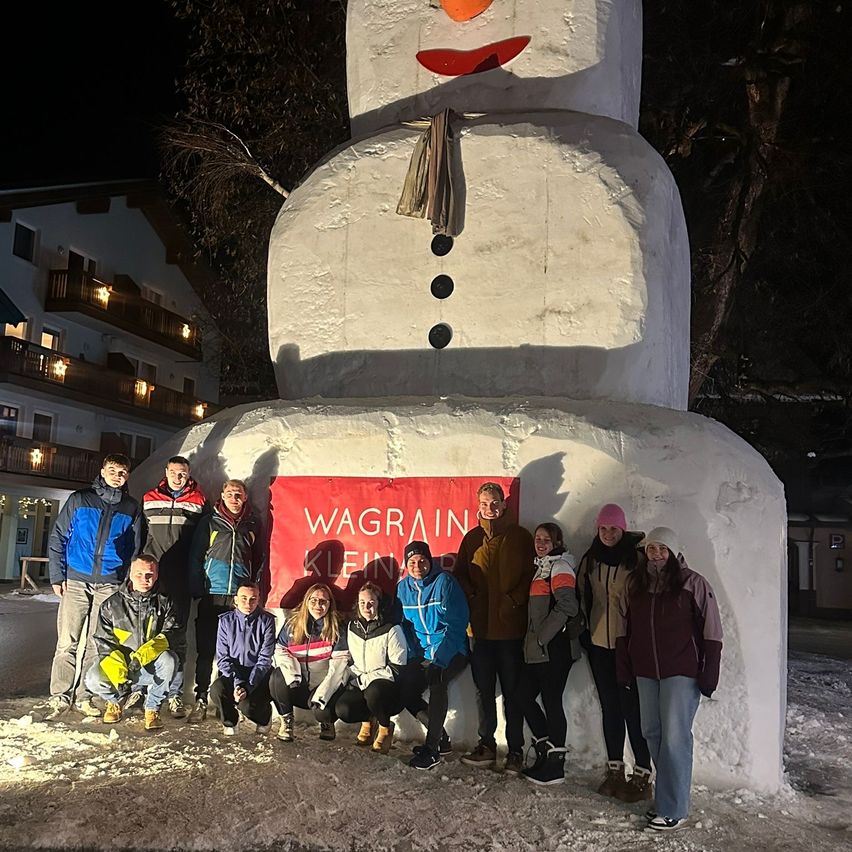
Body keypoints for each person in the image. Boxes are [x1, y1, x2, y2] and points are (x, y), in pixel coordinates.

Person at [616, 527, 723, 832]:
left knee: (675, 738)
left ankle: (674, 808)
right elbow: (624, 628)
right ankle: (668, 798)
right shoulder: (636, 583)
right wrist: (624, 666)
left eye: (663, 548)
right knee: (651, 732)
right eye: (652, 548)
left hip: (681, 671)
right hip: (645, 670)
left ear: (674, 552)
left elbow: (712, 630)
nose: (657, 553)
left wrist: (709, 672)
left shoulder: (693, 583)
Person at [45, 453, 144, 720]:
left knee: (95, 643)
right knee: (67, 641)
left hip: (109, 585)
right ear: (103, 471)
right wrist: (57, 575)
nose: (117, 475)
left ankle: (84, 695)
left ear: (128, 476)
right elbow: (58, 537)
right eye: (112, 470)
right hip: (76, 579)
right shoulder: (80, 499)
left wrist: (124, 581)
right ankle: (60, 695)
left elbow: (136, 549)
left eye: (122, 472)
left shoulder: (131, 508)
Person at [454, 482, 535, 774]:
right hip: (481, 631)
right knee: (483, 691)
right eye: (485, 504)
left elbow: (532, 573)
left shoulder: (521, 537)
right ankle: (487, 745)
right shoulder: (472, 538)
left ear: (504, 504)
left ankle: (515, 750)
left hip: (511, 631)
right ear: (478, 506)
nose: (490, 509)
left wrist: (514, 600)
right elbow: (460, 574)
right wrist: (473, 598)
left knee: (513, 692)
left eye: (495, 503)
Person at [575, 503, 652, 800]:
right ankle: (615, 769)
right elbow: (581, 593)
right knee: (611, 708)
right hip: (598, 645)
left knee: (633, 710)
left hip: (627, 646)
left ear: (623, 529)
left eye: (614, 529)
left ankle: (643, 773)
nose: (608, 534)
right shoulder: (591, 559)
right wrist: (582, 629)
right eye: (604, 528)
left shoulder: (637, 559)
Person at [188, 479, 263, 719]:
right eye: (230, 493)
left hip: (238, 598)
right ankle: (201, 696)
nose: (234, 498)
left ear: (245, 497)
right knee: (207, 648)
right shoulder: (210, 521)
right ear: (222, 495)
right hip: (213, 594)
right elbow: (196, 556)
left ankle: (229, 701)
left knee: (235, 651)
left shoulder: (252, 523)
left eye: (238, 494)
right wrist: (197, 587)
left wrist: (254, 586)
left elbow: (259, 556)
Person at [142, 455, 209, 718]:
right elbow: (140, 536)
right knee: (147, 634)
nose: (178, 477)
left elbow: (201, 544)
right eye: (173, 472)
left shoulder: (198, 501)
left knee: (177, 637)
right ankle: (146, 688)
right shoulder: (149, 498)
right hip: (153, 577)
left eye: (183, 473)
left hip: (180, 578)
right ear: (166, 471)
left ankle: (175, 694)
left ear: (189, 474)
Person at [517, 522, 582, 785]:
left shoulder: (560, 566)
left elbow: (568, 604)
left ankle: (555, 766)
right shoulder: (543, 567)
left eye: (546, 539)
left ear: (557, 542)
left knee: (552, 701)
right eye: (538, 539)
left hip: (555, 649)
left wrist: (543, 635)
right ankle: (546, 750)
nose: (541, 543)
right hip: (540, 649)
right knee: (523, 696)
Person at [84, 555, 180, 730]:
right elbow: (104, 641)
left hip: (149, 664)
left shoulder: (166, 602)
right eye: (139, 574)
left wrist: (143, 656)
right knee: (92, 678)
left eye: (149, 574)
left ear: (157, 575)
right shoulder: (111, 605)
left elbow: (171, 633)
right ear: (130, 573)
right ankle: (116, 701)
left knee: (170, 661)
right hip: (122, 665)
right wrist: (119, 674)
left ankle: (152, 708)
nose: (144, 579)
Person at [397, 540, 470, 771]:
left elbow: (456, 626)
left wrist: (439, 659)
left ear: (430, 561)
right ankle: (442, 738)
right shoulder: (403, 588)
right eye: (412, 562)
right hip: (423, 652)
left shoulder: (445, 582)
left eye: (422, 561)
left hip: (453, 649)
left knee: (437, 681)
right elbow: (405, 626)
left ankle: (432, 749)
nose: (418, 566)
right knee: (406, 691)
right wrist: (413, 656)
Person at [328, 581, 408, 753]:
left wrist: (364, 678)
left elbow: (397, 668)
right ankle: (368, 721)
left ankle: (385, 728)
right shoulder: (352, 627)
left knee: (374, 692)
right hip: (360, 681)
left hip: (386, 685)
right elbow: (350, 660)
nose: (367, 606)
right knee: (344, 710)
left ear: (379, 603)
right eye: (363, 602)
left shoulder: (391, 629)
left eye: (371, 602)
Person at [268, 582, 349, 742]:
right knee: (276, 677)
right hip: (297, 683)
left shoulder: (337, 627)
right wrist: (293, 676)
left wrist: (322, 694)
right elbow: (280, 650)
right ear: (306, 602)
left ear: (329, 604)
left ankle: (327, 723)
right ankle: (287, 720)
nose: (318, 605)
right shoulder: (293, 623)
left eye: (323, 601)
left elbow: (339, 665)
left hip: (321, 687)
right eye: (313, 600)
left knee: (323, 712)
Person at [209, 581, 276, 736]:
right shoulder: (226, 621)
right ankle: (230, 721)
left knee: (248, 706)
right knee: (216, 690)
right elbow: (223, 657)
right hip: (233, 673)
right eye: (244, 598)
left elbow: (265, 659)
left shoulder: (267, 621)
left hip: (257, 675)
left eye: (253, 599)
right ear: (236, 599)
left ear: (258, 599)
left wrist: (248, 687)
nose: (248, 603)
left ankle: (264, 717)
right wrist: (237, 683)